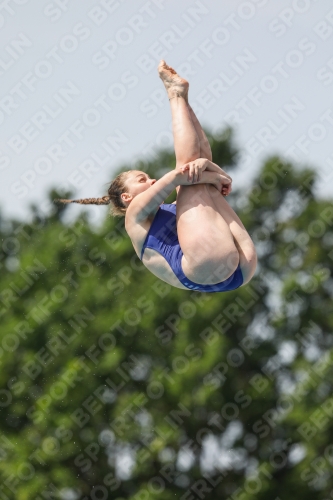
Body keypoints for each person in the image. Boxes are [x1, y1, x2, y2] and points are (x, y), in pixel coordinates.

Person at [57, 61, 257, 292]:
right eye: (142, 180)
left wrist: (211, 171)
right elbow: (182, 174)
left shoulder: (175, 208)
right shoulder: (134, 217)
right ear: (126, 197)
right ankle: (176, 95)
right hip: (212, 266)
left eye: (149, 177)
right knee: (190, 171)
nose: (152, 181)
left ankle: (179, 96)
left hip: (237, 266)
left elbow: (195, 172)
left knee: (194, 172)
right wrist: (211, 173)